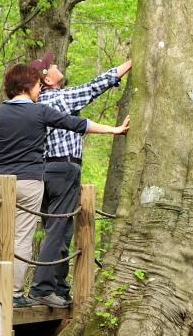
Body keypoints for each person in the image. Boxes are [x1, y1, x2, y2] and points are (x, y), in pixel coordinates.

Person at [0, 62, 130, 308]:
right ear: (36, 84)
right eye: (36, 83)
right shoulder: (46, 107)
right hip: (38, 177)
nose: (39, 88)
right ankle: (23, 292)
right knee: (28, 236)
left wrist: (4, 156)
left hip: (2, 180)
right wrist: (115, 129)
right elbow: (82, 118)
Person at [26, 52, 132, 308]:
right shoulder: (58, 98)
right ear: (47, 80)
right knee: (57, 230)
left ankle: (59, 289)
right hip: (62, 169)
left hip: (46, 170)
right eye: (51, 66)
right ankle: (42, 288)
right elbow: (95, 86)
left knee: (61, 231)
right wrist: (130, 63)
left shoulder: (39, 103)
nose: (56, 65)